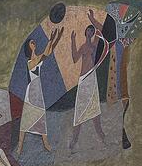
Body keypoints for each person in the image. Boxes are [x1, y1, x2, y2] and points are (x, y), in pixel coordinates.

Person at [15, 27, 63, 156]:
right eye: (31, 42)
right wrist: (51, 40)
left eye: (33, 42)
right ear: (29, 47)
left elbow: (48, 52)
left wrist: (56, 39)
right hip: (31, 92)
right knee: (26, 119)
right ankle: (20, 146)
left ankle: (46, 144)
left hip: (38, 91)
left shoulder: (38, 60)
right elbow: (45, 55)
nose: (34, 43)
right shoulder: (30, 62)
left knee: (41, 117)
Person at [69, 9, 110, 150]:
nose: (90, 32)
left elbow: (102, 29)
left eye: (92, 31)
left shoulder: (95, 44)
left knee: (94, 109)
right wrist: (73, 41)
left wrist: (92, 19)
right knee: (79, 110)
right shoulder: (83, 47)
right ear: (85, 32)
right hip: (82, 80)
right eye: (88, 30)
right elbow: (74, 58)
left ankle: (101, 136)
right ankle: (74, 139)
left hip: (91, 79)